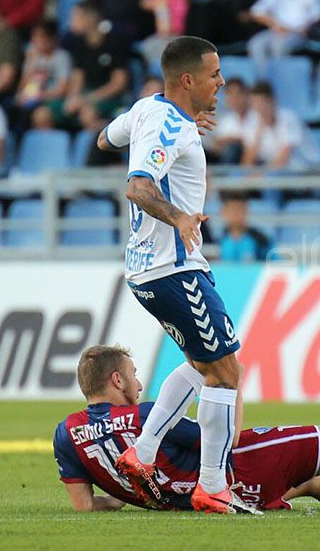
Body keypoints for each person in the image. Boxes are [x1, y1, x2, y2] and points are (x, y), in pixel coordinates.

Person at [94, 36, 246, 514]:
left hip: (148, 271)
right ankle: (213, 483)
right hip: (172, 268)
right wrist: (179, 216)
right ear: (188, 79)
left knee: (207, 365)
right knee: (226, 372)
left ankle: (141, 455)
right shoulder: (169, 129)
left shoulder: (148, 111)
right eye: (214, 73)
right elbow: (138, 188)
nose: (221, 82)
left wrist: (172, 130)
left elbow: (104, 139)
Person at [53, 344, 320, 513]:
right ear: (116, 382)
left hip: (198, 504)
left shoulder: (65, 434)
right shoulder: (148, 417)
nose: (139, 382)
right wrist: (231, 385)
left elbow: (86, 507)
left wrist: (138, 499)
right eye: (132, 374)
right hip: (231, 476)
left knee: (312, 481)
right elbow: (224, 442)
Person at [46, 0, 130, 129]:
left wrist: (88, 99)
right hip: (85, 95)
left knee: (87, 115)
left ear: (90, 18)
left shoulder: (114, 42)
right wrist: (73, 97)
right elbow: (78, 77)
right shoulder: (78, 44)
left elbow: (118, 83)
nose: (71, 21)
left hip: (108, 98)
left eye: (75, 16)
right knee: (43, 114)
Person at [240, 81, 320, 169]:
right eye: (255, 103)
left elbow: (284, 157)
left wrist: (262, 176)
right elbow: (246, 163)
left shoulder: (289, 118)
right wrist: (258, 134)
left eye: (262, 102)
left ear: (273, 101)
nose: (259, 108)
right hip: (281, 174)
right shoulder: (252, 124)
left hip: (311, 170)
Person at [246, 0, 320, 71]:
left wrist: (294, 29)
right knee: (255, 44)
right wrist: (273, 24)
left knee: (278, 45)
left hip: (297, 33)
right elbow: (256, 11)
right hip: (276, 31)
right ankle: (263, 80)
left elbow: (317, 18)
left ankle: (279, 78)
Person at [14, 20, 72, 131]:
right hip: (34, 98)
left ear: (52, 39)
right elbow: (22, 86)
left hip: (54, 100)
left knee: (40, 115)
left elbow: (62, 90)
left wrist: (39, 95)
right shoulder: (33, 56)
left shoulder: (61, 57)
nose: (37, 41)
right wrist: (32, 63)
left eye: (41, 37)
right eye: (34, 37)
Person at [207, 77, 256, 164]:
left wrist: (234, 141)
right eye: (229, 94)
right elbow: (216, 146)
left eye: (238, 94)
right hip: (228, 161)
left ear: (246, 95)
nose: (234, 98)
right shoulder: (226, 120)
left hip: (255, 162)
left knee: (233, 149)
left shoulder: (256, 117)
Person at [218, 193, 271, 262]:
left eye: (239, 209)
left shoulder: (260, 240)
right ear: (224, 212)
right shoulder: (218, 240)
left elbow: (274, 263)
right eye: (232, 209)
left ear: (246, 211)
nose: (236, 213)